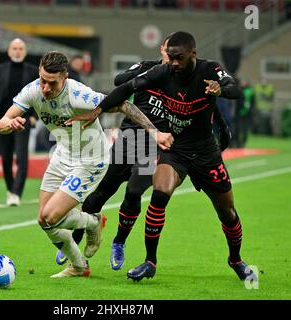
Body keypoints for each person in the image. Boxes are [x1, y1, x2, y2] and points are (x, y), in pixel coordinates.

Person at [67, 31, 255, 282]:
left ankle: (236, 260)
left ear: (193, 54)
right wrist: (97, 111)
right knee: (158, 194)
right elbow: (125, 86)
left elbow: (235, 88)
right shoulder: (162, 72)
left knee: (227, 212)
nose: (174, 63)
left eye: (180, 58)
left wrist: (220, 89)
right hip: (175, 150)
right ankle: (150, 261)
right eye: (171, 57)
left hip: (206, 154)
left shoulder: (210, 69)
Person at [0, 51, 174, 278]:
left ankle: (92, 223)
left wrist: (155, 132)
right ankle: (79, 266)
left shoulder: (79, 94)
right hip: (62, 155)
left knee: (52, 216)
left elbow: (123, 106)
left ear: (65, 77)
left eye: (52, 83)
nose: (45, 88)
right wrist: (9, 123)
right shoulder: (33, 91)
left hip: (90, 159)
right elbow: (1, 123)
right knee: (43, 220)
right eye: (42, 80)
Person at [0, 38, 39, 206]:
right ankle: (10, 189)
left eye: (20, 48)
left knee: (22, 157)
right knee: (5, 158)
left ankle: (17, 192)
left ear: (25, 51)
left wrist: (34, 117)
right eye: (14, 48)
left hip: (23, 120)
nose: (17, 51)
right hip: (3, 120)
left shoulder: (32, 71)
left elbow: (38, 96)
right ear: (9, 51)